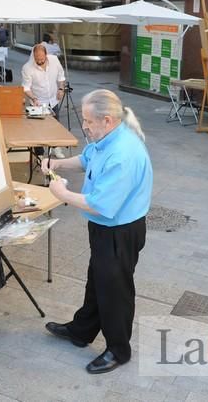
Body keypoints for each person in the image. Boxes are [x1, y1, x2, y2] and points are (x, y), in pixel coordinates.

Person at [41, 89, 152, 374]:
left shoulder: (123, 153)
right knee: (98, 282)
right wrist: (57, 163)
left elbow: (101, 205)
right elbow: (87, 158)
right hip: (106, 229)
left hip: (120, 231)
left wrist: (62, 193)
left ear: (107, 119)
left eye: (88, 121)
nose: (84, 126)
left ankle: (118, 350)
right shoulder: (106, 138)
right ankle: (82, 330)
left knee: (116, 291)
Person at [21, 43, 67, 158]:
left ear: (46, 55)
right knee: (38, 129)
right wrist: (34, 98)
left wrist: (61, 89)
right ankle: (39, 154)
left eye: (42, 59)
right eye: (37, 59)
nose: (40, 61)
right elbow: (26, 88)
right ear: (34, 56)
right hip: (38, 101)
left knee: (55, 126)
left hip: (53, 99)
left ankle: (56, 148)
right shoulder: (27, 68)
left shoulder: (54, 60)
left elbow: (61, 76)